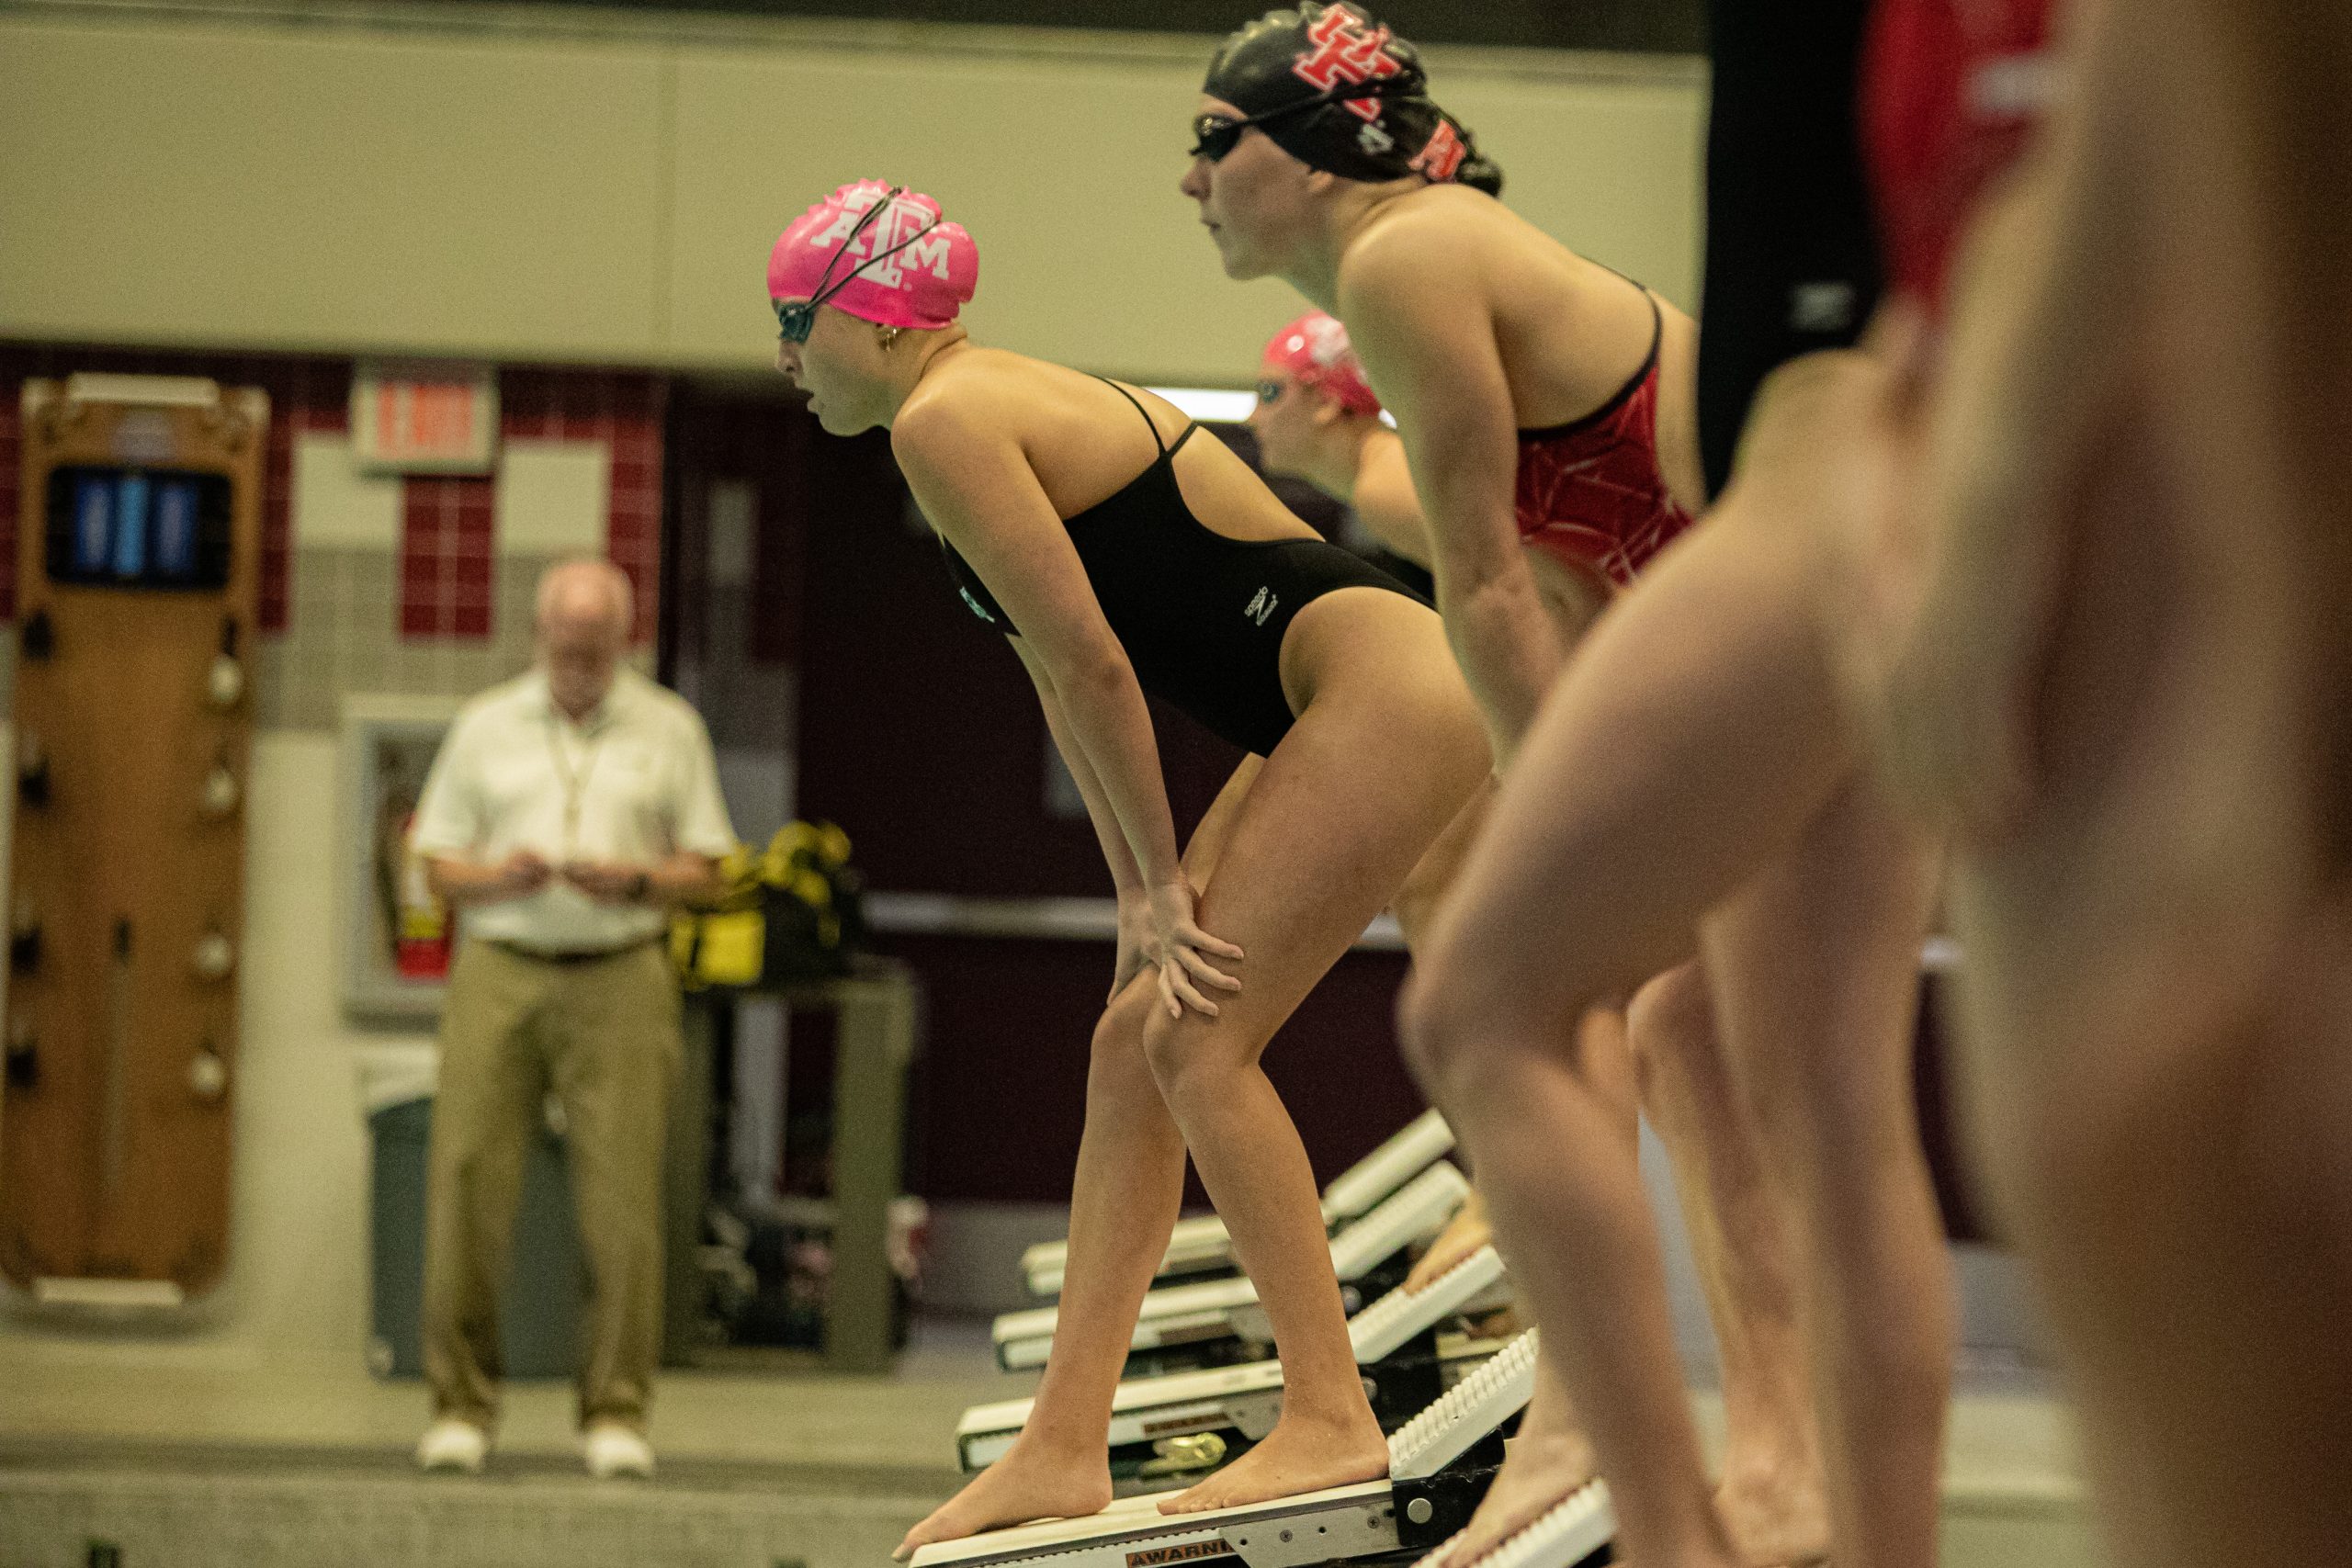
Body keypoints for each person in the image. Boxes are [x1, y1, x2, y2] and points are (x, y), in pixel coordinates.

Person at [1396, 0, 2064, 1564]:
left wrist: (1963, 448)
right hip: (1842, 470)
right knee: (1824, 1098)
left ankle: (1664, 1528)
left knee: (1486, 1001)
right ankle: (1833, 1526)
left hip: (1831, 474)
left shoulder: (1405, 260)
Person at [754, 180, 1489, 1556]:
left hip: (1377, 686)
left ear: (871, 314)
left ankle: (1330, 1410)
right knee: (1130, 1041)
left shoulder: (944, 419)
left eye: (798, 322)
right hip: (1333, 695)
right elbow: (1057, 677)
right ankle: (1062, 1439)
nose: (788, 357)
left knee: (1203, 1043)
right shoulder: (973, 410)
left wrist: (1161, 880)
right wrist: (1132, 896)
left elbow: (1101, 665)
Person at [1186, 10, 1828, 1565]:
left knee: (1590, 1015)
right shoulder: (1436, 262)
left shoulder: (1408, 261)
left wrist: (1570, 836)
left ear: (1321, 145)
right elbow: (1584, 575)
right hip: (1768, 629)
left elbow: (1481, 587)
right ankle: (1690, 1435)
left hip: (1811, 617)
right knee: (1663, 1028)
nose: (1190, 179)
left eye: (1216, 139)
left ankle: (1726, 1447)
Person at [1871, 2, 2352, 1567]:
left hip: (2105, 361)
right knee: (2123, 1182)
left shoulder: (1409, 270)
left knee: (2174, 1160)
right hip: (2006, 335)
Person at [409, 558, 736, 1480]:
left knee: (623, 1200)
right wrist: (499, 876)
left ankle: (615, 1412)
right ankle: (460, 1407)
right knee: (468, 1179)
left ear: (622, 642)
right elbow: (434, 862)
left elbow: (709, 867)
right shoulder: (484, 726)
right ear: (539, 635)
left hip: (623, 970)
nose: (579, 663)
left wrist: (634, 879)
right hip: (501, 965)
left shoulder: (669, 728)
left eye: (596, 649)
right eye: (565, 646)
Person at [1250, 310, 1430, 570]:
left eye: (1269, 392)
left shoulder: (1385, 486)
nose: (1253, 418)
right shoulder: (1388, 471)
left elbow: (1497, 587)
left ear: (1325, 402)